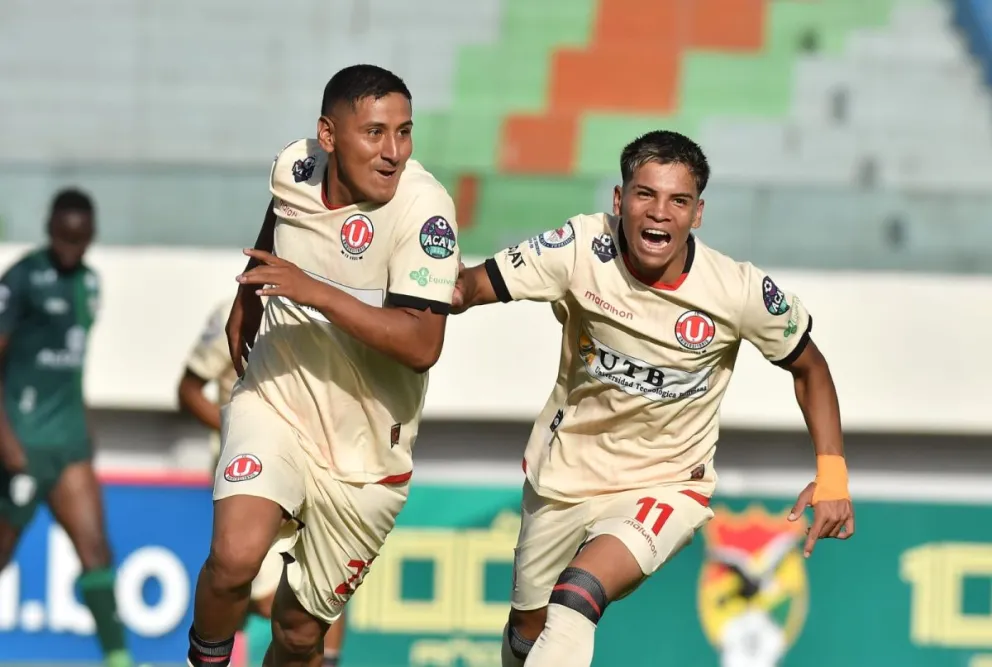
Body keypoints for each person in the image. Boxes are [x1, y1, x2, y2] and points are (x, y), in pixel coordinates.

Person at [450, 130, 855, 667]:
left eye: (678, 200)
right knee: (529, 625)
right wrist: (416, 286)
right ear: (619, 202)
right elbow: (471, 286)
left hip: (667, 483)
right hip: (565, 474)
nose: (659, 213)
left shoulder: (737, 291)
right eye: (645, 195)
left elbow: (811, 368)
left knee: (577, 597)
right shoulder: (579, 248)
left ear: (698, 214)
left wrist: (833, 476)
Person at [186, 63, 460, 667]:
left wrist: (315, 290)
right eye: (375, 133)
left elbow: (422, 345)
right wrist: (247, 294)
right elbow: (280, 212)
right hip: (277, 399)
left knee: (299, 632)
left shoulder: (425, 212)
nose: (394, 152)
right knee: (234, 560)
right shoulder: (294, 165)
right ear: (329, 136)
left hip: (367, 457)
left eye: (405, 133)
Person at [0, 189, 138, 667]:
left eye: (78, 239)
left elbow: (70, 368)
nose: (69, 247)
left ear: (91, 236)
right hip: (18, 444)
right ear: (49, 230)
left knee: (96, 549)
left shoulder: (90, 285)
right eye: (62, 236)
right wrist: (6, 441)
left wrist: (83, 425)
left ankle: (118, 659)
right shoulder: (23, 278)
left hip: (68, 445)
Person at [178, 299, 347, 666]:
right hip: (253, 475)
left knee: (322, 594)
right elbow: (188, 390)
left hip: (316, 471)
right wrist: (238, 435)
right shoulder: (232, 312)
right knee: (262, 592)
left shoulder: (333, 309)